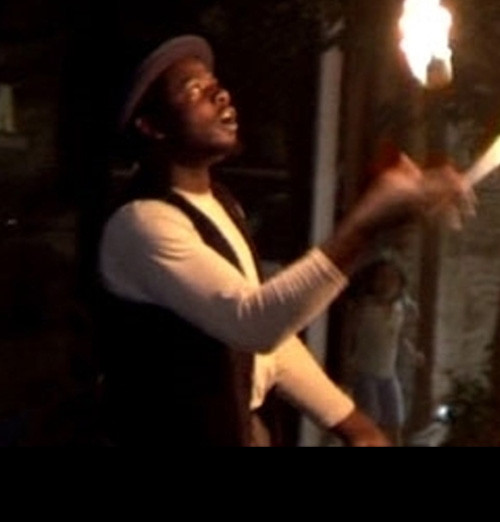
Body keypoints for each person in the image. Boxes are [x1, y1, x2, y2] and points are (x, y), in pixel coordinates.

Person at [96, 34, 471, 447]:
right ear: (151, 126)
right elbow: (253, 323)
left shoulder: (220, 203)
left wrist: (353, 423)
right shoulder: (143, 223)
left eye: (215, 83)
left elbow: (267, 344)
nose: (221, 94)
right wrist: (364, 224)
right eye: (194, 90)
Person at [343, 254, 425, 445]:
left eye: (392, 279)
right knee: (369, 421)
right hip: (365, 372)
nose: (386, 284)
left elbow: (399, 336)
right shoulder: (364, 308)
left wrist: (413, 353)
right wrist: (346, 365)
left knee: (395, 421)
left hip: (388, 375)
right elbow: (349, 336)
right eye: (381, 278)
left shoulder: (399, 309)